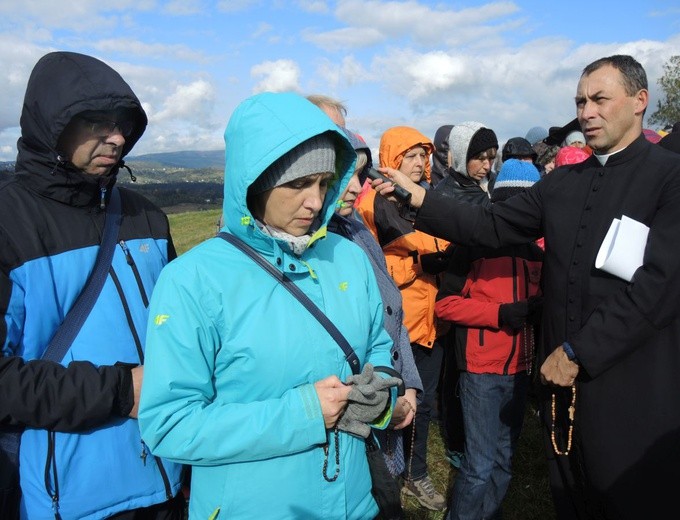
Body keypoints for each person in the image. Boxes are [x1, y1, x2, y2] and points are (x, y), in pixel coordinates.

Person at [371, 54, 680, 519]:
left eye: (600, 99)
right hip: (562, 386)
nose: (586, 112)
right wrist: (420, 198)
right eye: (580, 101)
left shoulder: (677, 179)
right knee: (571, 493)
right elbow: (491, 223)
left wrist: (580, 351)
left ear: (640, 101)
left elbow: (659, 288)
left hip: (637, 381)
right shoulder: (562, 183)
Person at [138, 92, 401, 520]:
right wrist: (301, 414)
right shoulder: (192, 281)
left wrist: (381, 390)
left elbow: (375, 342)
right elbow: (170, 425)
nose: (316, 201)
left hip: (355, 503)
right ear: (255, 182)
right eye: (297, 184)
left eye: (322, 183)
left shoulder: (347, 256)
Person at [0, 51, 184, 519]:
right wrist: (121, 391)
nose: (118, 136)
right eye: (97, 122)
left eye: (123, 123)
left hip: (168, 477)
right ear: (52, 125)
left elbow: (182, 332)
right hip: (61, 497)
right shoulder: (8, 225)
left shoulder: (147, 217)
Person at [307, 93, 423, 478]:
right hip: (343, 429)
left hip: (385, 399)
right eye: (345, 173)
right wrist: (383, 406)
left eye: (360, 174)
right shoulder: (304, 246)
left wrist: (407, 387)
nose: (357, 188)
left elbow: (391, 312)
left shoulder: (358, 229)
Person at [436, 158, 543, 520]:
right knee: (479, 465)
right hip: (481, 370)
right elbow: (446, 306)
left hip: (520, 368)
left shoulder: (536, 252)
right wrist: (499, 314)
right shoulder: (473, 247)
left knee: (503, 461)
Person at [357, 126, 449, 512]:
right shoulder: (372, 206)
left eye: (423, 155)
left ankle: (414, 472)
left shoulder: (425, 202)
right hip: (396, 328)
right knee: (393, 407)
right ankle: (394, 475)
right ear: (392, 160)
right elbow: (374, 267)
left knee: (421, 405)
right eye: (410, 155)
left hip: (429, 319)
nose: (419, 162)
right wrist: (418, 263)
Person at [432, 122, 498, 469]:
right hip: (457, 288)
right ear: (460, 156)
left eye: (490, 158)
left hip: (474, 287)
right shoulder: (450, 193)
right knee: (457, 371)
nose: (486, 165)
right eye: (478, 158)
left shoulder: (477, 188)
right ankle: (456, 439)